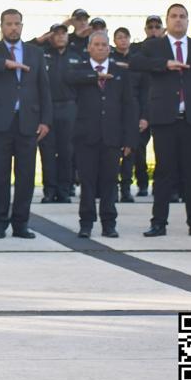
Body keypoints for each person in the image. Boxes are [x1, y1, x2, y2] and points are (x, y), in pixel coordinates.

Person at [130, 4, 191, 238]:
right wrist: (163, 64)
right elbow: (133, 61)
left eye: (182, 17)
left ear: (188, 21)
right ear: (167, 20)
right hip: (165, 119)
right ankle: (158, 223)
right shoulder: (154, 46)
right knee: (164, 172)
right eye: (174, 16)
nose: (178, 20)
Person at [0, 9, 52, 239]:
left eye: (17, 24)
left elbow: (44, 88)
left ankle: (21, 224)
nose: (14, 28)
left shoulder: (34, 52)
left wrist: (46, 120)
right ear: (1, 26)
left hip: (27, 122)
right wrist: (5, 64)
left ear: (22, 25)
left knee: (26, 177)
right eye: (9, 24)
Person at [66, 30, 138, 238]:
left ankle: (109, 223)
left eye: (104, 45)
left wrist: (129, 139)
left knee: (109, 182)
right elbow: (67, 78)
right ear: (89, 48)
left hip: (112, 137)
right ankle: (86, 223)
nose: (100, 48)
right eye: (96, 45)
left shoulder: (120, 72)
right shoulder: (80, 70)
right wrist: (94, 77)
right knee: (87, 182)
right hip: (86, 136)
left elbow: (129, 106)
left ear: (109, 48)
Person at [37, 23, 79, 204]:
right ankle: (49, 190)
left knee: (66, 151)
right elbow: (27, 46)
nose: (60, 37)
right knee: (47, 151)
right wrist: (42, 39)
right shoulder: (42, 54)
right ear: (50, 36)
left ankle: (64, 190)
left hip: (69, 107)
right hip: (48, 108)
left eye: (64, 34)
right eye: (56, 34)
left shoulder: (76, 56)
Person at [110, 27, 149, 202]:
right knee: (111, 152)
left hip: (133, 110)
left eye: (125, 37)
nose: (123, 40)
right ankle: (111, 189)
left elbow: (145, 91)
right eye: (119, 37)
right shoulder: (109, 60)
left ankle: (126, 189)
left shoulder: (138, 61)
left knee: (130, 151)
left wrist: (144, 116)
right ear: (114, 40)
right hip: (113, 110)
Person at [128, 15, 165, 196]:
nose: (153, 30)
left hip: (165, 106)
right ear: (145, 30)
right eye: (150, 27)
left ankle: (162, 186)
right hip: (144, 105)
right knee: (139, 149)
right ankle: (142, 183)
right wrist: (143, 114)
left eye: (157, 27)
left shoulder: (170, 51)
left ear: (163, 29)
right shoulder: (139, 50)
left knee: (164, 152)